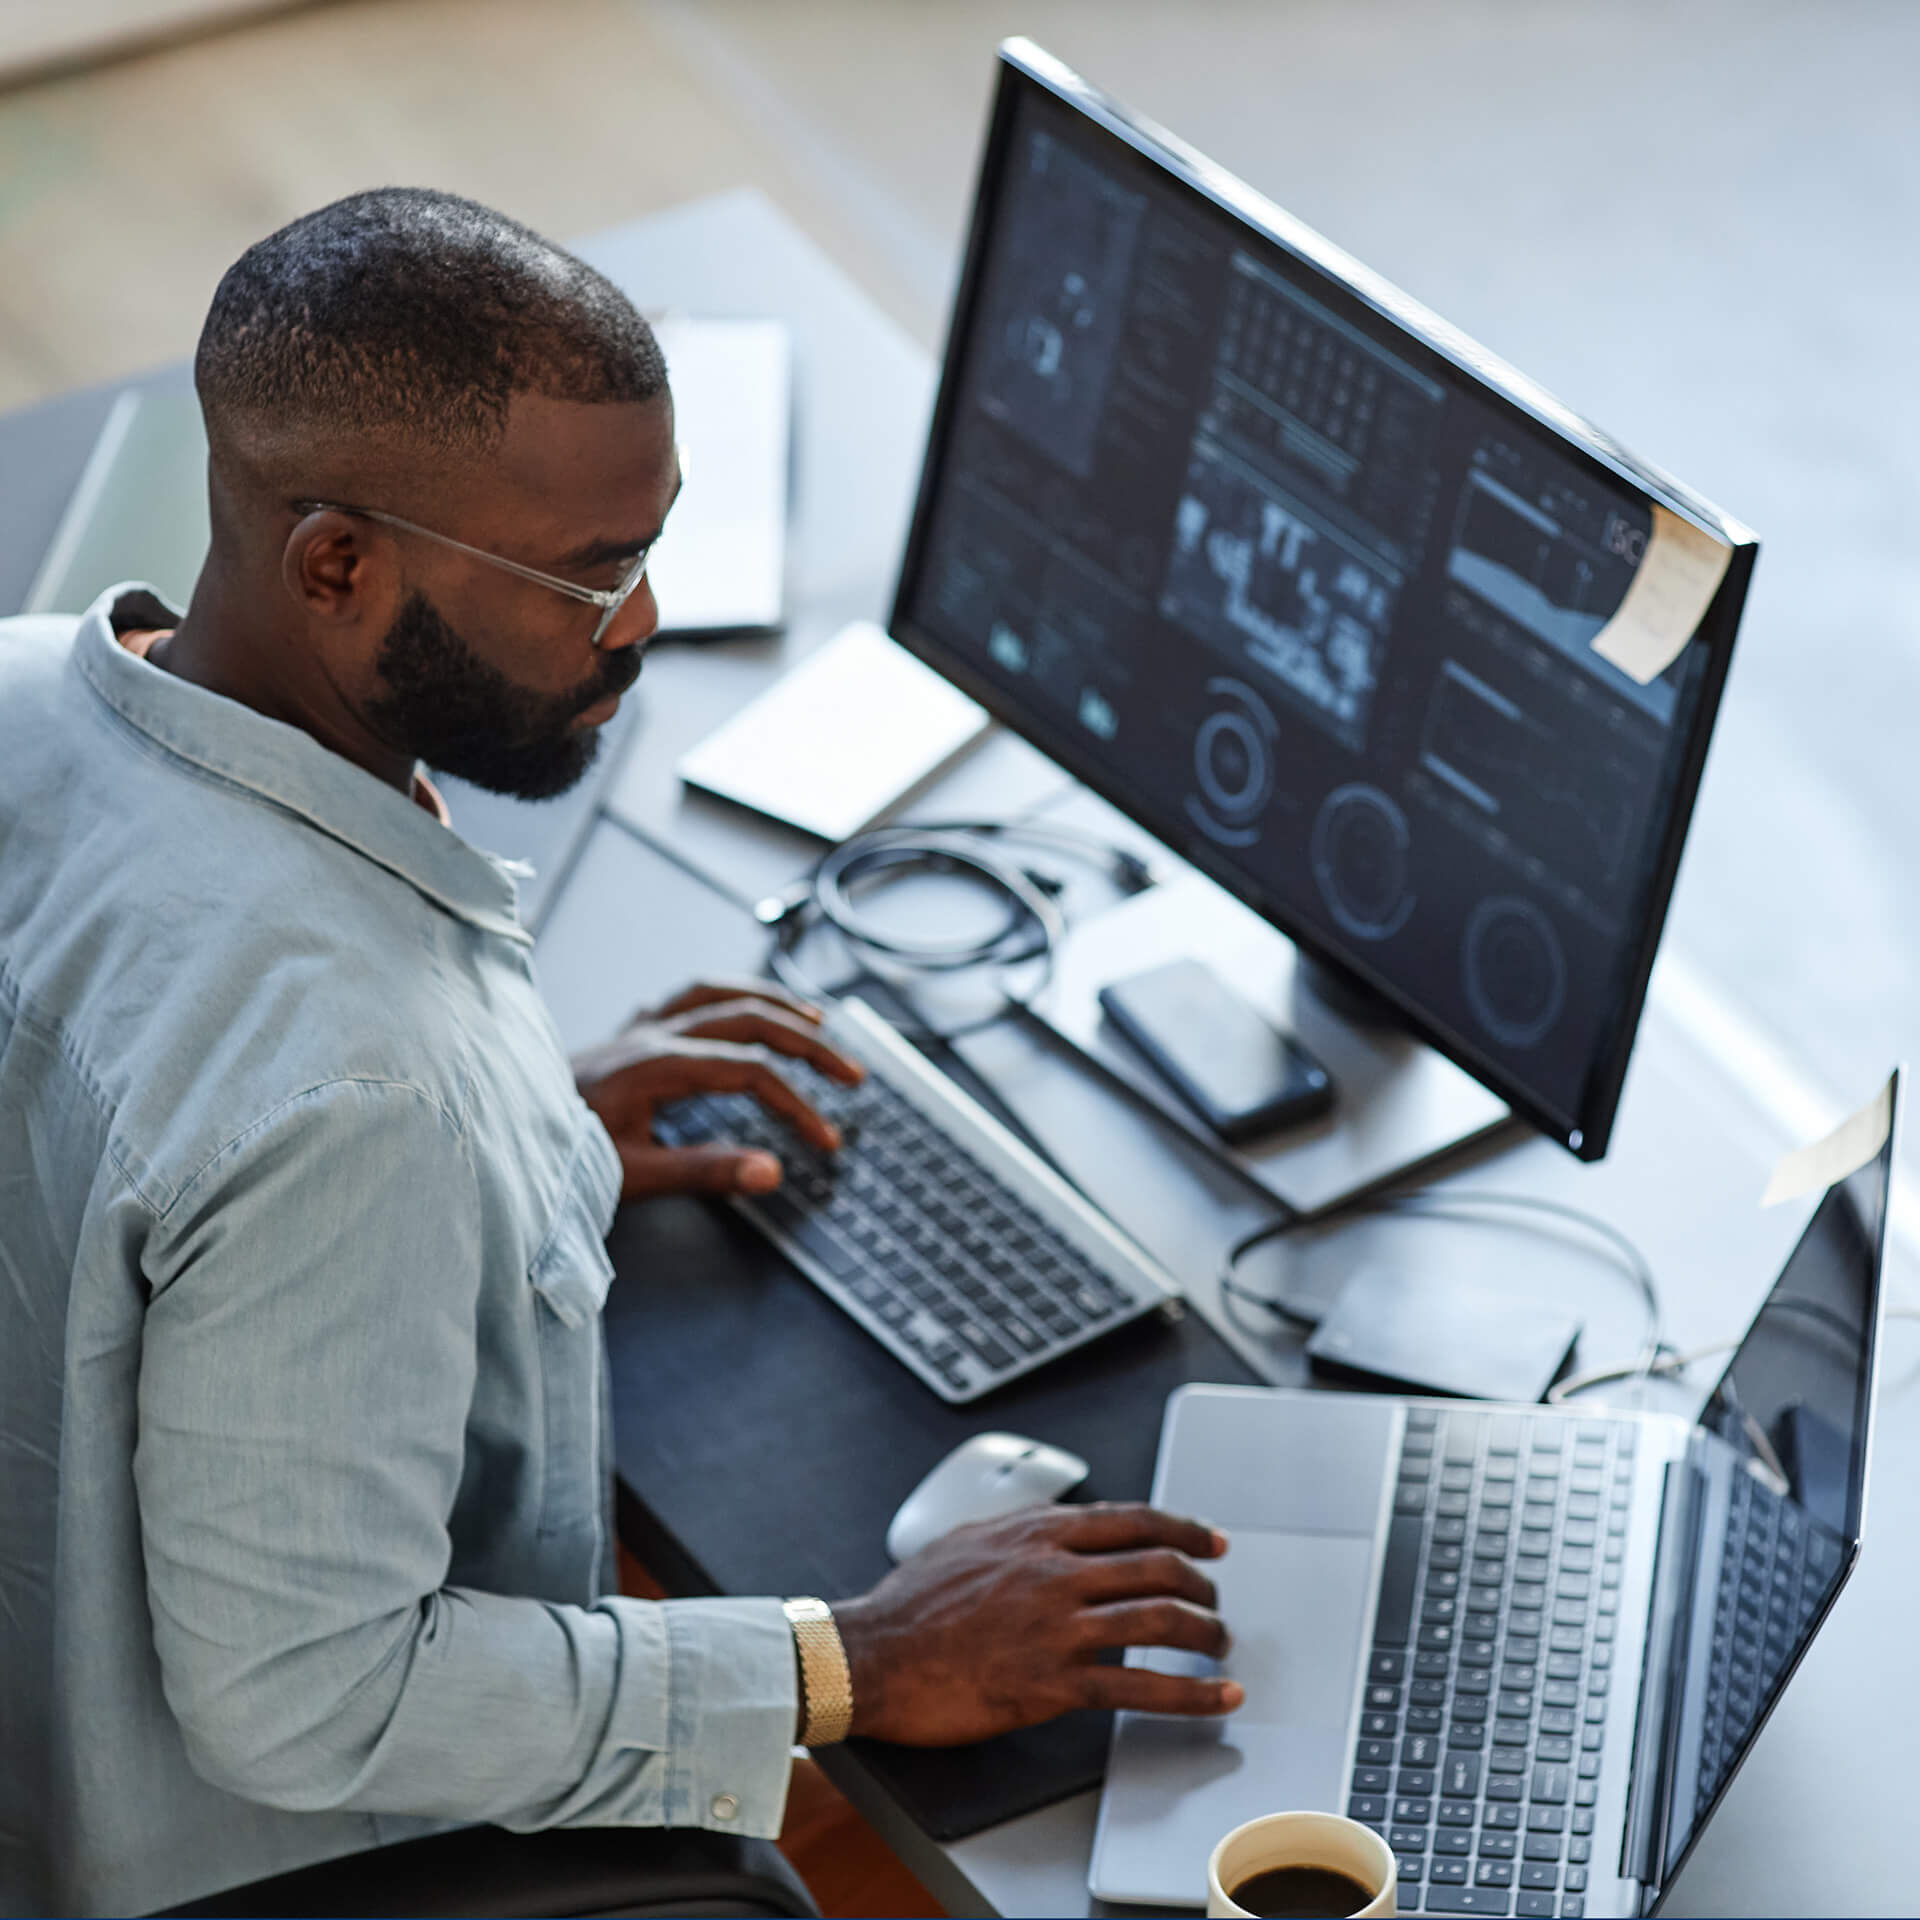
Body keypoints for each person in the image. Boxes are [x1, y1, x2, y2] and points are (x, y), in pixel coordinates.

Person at [0, 188, 1242, 1917]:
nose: (644, 623)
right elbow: (308, 1701)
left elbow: (138, 1119)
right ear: (337, 563)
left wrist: (521, 1137)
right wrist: (850, 1663)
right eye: (585, 579)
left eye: (650, 543)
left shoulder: (25, 696)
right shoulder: (359, 1096)